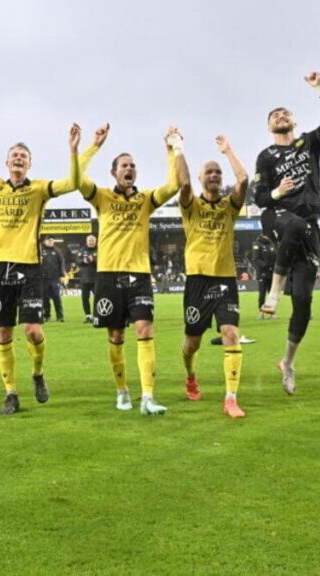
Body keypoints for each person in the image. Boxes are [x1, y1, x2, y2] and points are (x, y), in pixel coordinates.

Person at [0, 120, 81, 415]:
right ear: (7, 162)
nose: (18, 158)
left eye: (23, 156)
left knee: (33, 331)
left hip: (31, 267)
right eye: (14, 155)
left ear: (30, 164)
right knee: (4, 332)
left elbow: (71, 182)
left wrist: (74, 151)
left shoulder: (38, 189)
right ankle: (11, 393)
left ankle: (37, 373)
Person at [78, 123, 184, 414]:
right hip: (108, 274)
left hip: (139, 275)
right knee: (116, 336)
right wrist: (93, 146)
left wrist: (170, 151)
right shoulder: (102, 197)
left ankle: (148, 397)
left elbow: (174, 186)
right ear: (113, 172)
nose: (130, 169)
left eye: (133, 166)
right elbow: (77, 179)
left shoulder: (145, 200)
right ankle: (122, 391)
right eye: (125, 165)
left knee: (144, 328)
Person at [254, 71, 320, 395]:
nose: (281, 115)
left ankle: (288, 362)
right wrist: (277, 191)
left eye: (285, 113)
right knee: (293, 224)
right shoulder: (265, 156)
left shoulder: (308, 143)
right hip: (277, 216)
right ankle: (275, 293)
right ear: (269, 126)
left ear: (293, 121)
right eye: (275, 115)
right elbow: (259, 198)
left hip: (309, 225)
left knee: (304, 301)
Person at [178, 135, 249, 418]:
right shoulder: (191, 206)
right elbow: (183, 183)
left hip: (225, 280)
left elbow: (243, 181)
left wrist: (228, 151)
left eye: (217, 172)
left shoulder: (229, 206)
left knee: (231, 333)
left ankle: (231, 398)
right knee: (191, 343)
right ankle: (190, 375)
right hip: (196, 280)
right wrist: (177, 148)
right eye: (209, 171)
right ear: (200, 177)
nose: (214, 175)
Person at [40, 237, 66, 322]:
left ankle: (60, 316)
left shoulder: (57, 251)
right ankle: (47, 315)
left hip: (54, 278)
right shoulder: (41, 250)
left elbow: (62, 261)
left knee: (56, 298)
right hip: (44, 278)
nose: (51, 242)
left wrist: (62, 273)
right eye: (49, 241)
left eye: (52, 241)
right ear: (45, 241)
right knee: (45, 298)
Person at [251, 235, 276, 318]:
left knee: (271, 293)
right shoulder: (257, 244)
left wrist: (275, 266)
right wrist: (265, 266)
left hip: (272, 272)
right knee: (262, 293)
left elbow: (275, 257)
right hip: (262, 273)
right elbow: (256, 259)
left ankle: (271, 313)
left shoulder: (271, 244)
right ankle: (261, 313)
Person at [79, 235, 97, 323]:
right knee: (85, 298)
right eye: (90, 240)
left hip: (96, 279)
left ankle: (97, 316)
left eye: (93, 240)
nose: (91, 241)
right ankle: (88, 316)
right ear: (86, 241)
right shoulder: (82, 250)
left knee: (97, 298)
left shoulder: (100, 250)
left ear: (96, 241)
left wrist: (93, 260)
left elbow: (102, 262)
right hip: (85, 279)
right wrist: (83, 261)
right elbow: (78, 261)